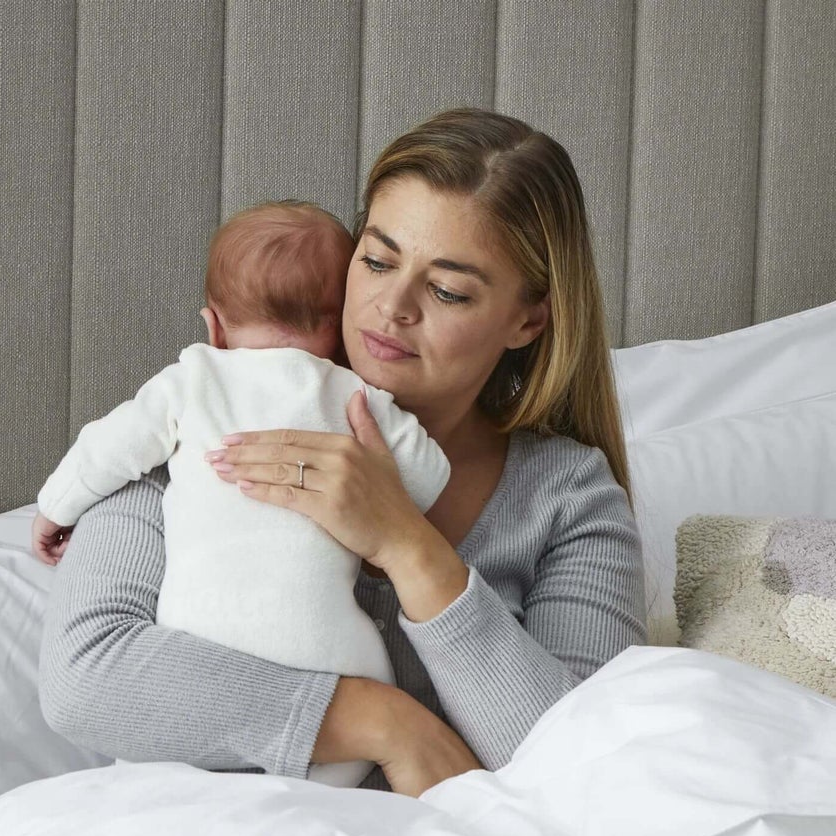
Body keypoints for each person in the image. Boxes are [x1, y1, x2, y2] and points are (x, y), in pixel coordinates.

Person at [38, 106, 647, 798]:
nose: (391, 307)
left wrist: (407, 546)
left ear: (528, 317)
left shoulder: (567, 496)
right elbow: (83, 679)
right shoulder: (197, 425)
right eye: (378, 259)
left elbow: (585, 767)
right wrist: (385, 722)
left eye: (447, 289)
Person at [31, 201, 450, 787]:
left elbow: (109, 448)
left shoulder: (193, 379)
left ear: (214, 326)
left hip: (194, 671)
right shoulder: (353, 395)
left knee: (158, 781)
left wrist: (56, 507)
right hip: (342, 677)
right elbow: (430, 476)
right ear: (338, 331)